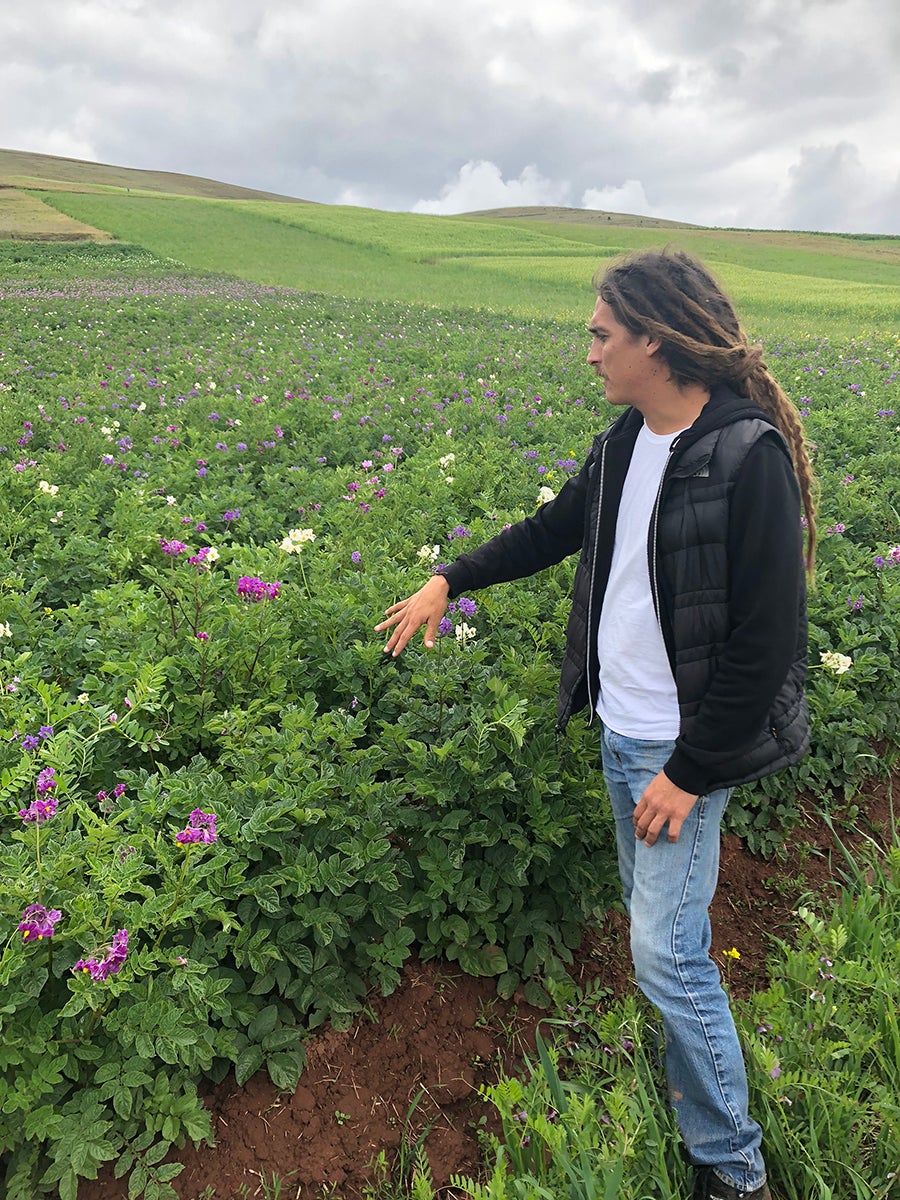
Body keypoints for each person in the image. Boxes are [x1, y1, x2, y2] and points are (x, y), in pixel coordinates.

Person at [375, 248, 815, 1200]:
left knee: (665, 951)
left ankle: (734, 1170)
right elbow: (551, 530)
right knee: (666, 935)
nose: (590, 353)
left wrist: (690, 772)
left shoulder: (747, 456)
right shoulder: (626, 441)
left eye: (601, 334)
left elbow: (765, 645)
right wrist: (450, 577)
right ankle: (697, 1083)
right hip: (624, 733)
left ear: (654, 339)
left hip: (678, 753)